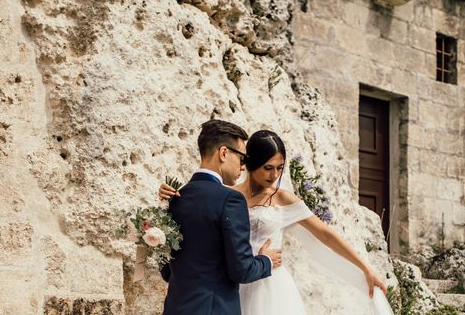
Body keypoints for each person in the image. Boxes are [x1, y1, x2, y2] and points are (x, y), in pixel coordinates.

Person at [160, 129, 393, 315]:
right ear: (250, 164)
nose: (274, 175)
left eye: (279, 168)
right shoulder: (227, 196)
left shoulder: (282, 197)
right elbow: (201, 215)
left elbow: (325, 234)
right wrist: (168, 196)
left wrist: (365, 268)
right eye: (268, 168)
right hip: (232, 285)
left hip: (270, 287)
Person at [162, 120, 283, 315]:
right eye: (242, 159)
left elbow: (166, 269)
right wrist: (265, 260)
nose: (244, 167)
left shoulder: (176, 197)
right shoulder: (230, 200)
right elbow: (242, 270)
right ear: (224, 153)